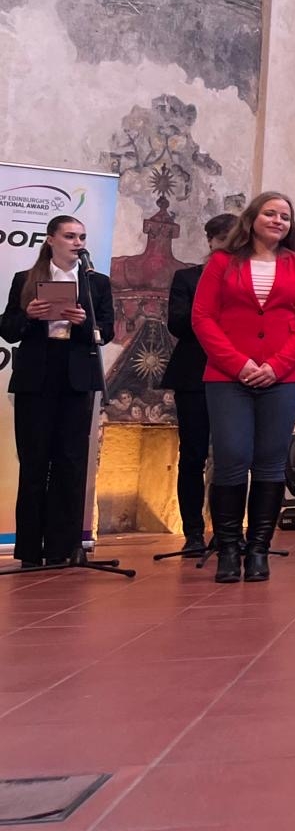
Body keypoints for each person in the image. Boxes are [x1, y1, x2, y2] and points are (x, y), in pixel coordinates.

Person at [191, 192, 295, 582]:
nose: (278, 220)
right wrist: (239, 363)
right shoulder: (221, 262)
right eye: (270, 213)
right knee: (231, 456)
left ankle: (259, 549)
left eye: (285, 216)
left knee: (270, 460)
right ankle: (229, 550)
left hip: (283, 378)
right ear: (252, 219)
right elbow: (202, 318)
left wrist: (276, 366)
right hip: (228, 378)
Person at [2, 215, 114, 568]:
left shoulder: (95, 283)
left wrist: (84, 323)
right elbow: (8, 329)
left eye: (82, 236)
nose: (78, 242)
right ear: (51, 239)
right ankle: (30, 551)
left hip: (76, 379)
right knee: (35, 463)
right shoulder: (26, 279)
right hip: (37, 378)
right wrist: (29, 315)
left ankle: (62, 548)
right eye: (70, 236)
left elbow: (106, 331)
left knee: (70, 462)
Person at [158, 212, 238, 554]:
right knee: (192, 455)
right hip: (194, 374)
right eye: (222, 241)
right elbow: (177, 323)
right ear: (210, 242)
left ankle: (227, 531)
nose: (228, 249)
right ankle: (192, 533)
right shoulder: (188, 278)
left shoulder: (247, 280)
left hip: (235, 375)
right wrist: (210, 312)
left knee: (231, 456)